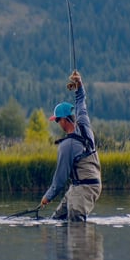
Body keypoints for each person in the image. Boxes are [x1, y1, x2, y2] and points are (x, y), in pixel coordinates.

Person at [40, 70, 101, 222]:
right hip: (83, 186)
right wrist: (79, 85)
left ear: (65, 120)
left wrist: (47, 197)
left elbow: (60, 179)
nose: (57, 123)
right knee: (57, 219)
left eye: (57, 120)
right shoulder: (83, 122)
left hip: (84, 188)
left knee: (76, 225)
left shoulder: (67, 146)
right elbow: (81, 101)